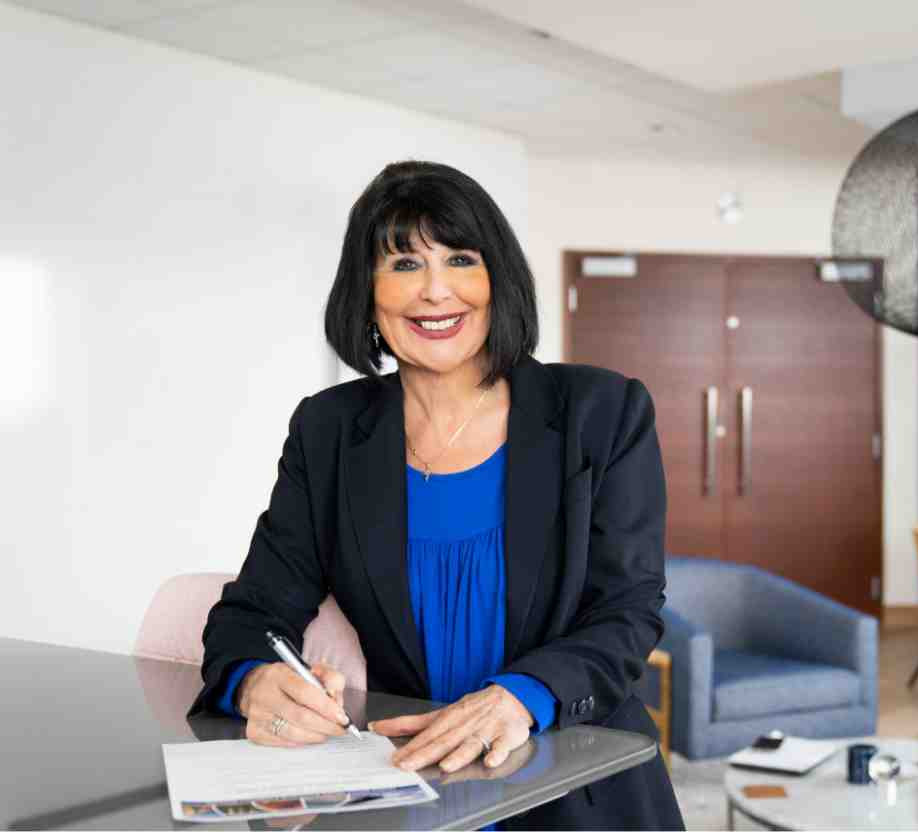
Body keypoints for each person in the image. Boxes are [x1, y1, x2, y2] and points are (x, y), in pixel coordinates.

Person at [189, 160, 684, 830]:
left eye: (459, 258)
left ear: (497, 279)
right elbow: (250, 614)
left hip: (575, 790)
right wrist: (256, 680)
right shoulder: (329, 430)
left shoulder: (601, 411)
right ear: (366, 292)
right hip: (408, 796)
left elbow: (629, 612)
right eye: (402, 265)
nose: (434, 291)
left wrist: (520, 697)